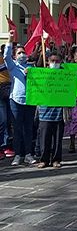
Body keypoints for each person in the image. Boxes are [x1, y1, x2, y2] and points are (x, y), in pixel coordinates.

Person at [4, 31, 36, 166]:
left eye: (23, 52)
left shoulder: (31, 67)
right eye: (19, 53)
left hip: (30, 100)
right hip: (15, 101)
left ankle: (28, 154)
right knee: (17, 128)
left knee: (29, 128)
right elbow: (6, 56)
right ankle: (17, 155)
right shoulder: (12, 67)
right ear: (15, 56)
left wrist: (32, 73)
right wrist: (10, 39)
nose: (22, 55)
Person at [37, 53, 66, 169]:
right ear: (48, 62)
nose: (55, 63)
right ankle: (44, 160)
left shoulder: (65, 75)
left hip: (59, 113)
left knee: (58, 139)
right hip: (44, 113)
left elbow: (74, 78)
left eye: (57, 61)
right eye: (52, 61)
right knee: (44, 138)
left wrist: (76, 74)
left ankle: (56, 159)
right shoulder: (41, 75)